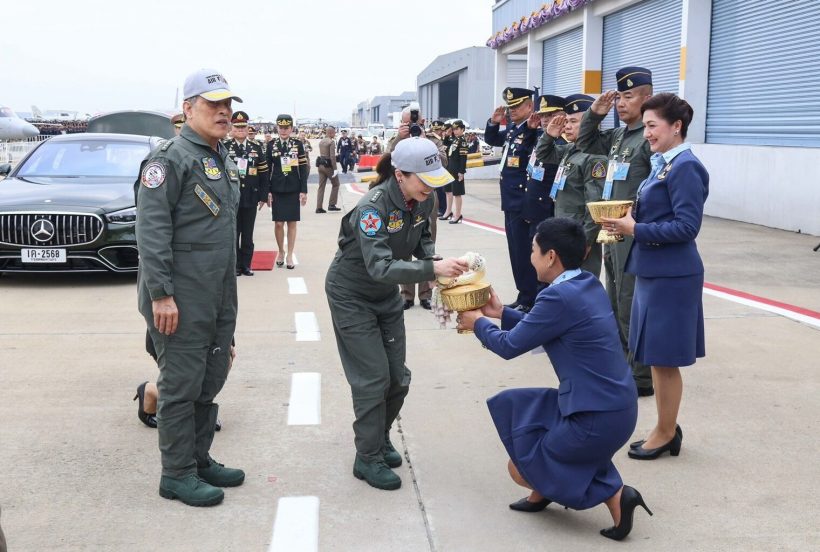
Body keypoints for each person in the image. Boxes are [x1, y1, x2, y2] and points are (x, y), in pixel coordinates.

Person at [457, 217, 650, 541]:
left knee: (519, 469)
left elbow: (509, 346)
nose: (529, 255)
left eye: (533, 249)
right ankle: (543, 492)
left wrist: (476, 321)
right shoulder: (586, 284)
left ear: (550, 257)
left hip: (595, 416)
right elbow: (544, 326)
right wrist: (501, 312)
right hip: (615, 406)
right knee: (523, 409)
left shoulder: (557, 298)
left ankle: (617, 495)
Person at [325, 137, 468, 491]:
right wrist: (431, 271)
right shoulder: (372, 208)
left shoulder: (425, 197)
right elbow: (380, 267)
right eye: (425, 178)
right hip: (352, 294)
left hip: (385, 297)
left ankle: (380, 437)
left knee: (397, 376)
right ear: (401, 175)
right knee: (372, 378)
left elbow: (423, 242)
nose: (432, 185)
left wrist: (435, 262)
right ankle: (367, 457)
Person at [135, 68, 245, 507]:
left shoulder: (220, 158)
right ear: (188, 108)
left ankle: (198, 458)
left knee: (210, 375)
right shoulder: (169, 160)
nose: (223, 112)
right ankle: (176, 474)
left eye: (227, 105)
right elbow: (152, 230)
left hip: (216, 291)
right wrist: (161, 293)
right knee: (181, 384)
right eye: (213, 104)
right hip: (178, 295)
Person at [601, 93, 708, 460]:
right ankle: (665, 426)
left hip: (672, 276)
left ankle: (665, 432)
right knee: (656, 357)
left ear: (675, 126)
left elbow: (686, 227)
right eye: (645, 126)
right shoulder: (663, 165)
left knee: (664, 360)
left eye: (652, 126)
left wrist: (635, 228)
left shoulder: (685, 167)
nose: (646, 133)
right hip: (653, 272)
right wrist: (632, 215)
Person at [575, 66, 655, 397]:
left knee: (629, 301)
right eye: (618, 97)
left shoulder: (648, 140)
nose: (621, 103)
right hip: (611, 227)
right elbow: (584, 141)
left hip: (634, 231)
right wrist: (595, 113)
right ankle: (624, 364)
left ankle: (641, 376)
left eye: (629, 96)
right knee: (613, 297)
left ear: (647, 98)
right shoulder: (620, 136)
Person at [535, 94, 608, 275]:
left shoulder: (595, 157)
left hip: (579, 234)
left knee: (581, 284)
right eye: (566, 121)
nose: (567, 126)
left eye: (573, 121)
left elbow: (595, 206)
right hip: (564, 231)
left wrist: (586, 242)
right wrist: (549, 135)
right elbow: (543, 154)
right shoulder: (570, 149)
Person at [484, 87, 540, 312]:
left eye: (517, 106)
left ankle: (530, 299)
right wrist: (493, 122)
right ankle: (524, 295)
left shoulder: (533, 130)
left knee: (526, 253)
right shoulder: (513, 130)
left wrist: (532, 130)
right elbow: (492, 139)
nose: (512, 110)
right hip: (510, 200)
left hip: (523, 201)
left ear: (529, 106)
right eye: (510, 107)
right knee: (516, 252)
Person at [388, 104, 448, 310]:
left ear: (422, 122)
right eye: (407, 123)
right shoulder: (396, 140)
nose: (411, 126)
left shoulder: (432, 140)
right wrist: (399, 139)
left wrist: (422, 143)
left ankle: (425, 293)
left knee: (426, 242)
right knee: (403, 243)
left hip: (426, 199)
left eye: (414, 123)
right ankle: (406, 294)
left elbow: (444, 161)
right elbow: (386, 161)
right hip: (401, 200)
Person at [225, 110, 269, 276]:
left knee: (248, 235)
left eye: (243, 127)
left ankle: (246, 265)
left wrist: (264, 196)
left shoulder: (256, 148)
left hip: (251, 197)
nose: (240, 130)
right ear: (231, 128)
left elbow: (264, 174)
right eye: (237, 127)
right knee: (234, 233)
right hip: (232, 198)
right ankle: (235, 266)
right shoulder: (225, 148)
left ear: (248, 128)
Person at [263, 114, 308, 269]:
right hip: (277, 189)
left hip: (293, 188)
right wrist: (267, 190)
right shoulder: (271, 145)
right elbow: (267, 169)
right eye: (281, 128)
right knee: (278, 223)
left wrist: (303, 190)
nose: (283, 130)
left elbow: (303, 168)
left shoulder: (298, 144)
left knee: (292, 223)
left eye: (286, 128)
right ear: (277, 128)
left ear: (291, 128)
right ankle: (280, 251)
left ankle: (289, 254)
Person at [523, 95, 565, 240]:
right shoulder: (540, 139)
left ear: (563, 115)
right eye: (542, 115)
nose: (546, 119)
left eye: (551, 115)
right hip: (535, 209)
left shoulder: (563, 144)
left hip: (548, 210)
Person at [441, 119, 468, 224]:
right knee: (448, 191)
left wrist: (461, 172)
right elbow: (446, 146)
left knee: (457, 193)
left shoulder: (462, 141)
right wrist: (447, 135)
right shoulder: (454, 139)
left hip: (457, 170)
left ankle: (458, 214)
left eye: (457, 129)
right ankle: (448, 212)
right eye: (454, 129)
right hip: (450, 168)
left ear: (462, 129)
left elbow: (463, 158)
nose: (455, 131)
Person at [316, 125, 341, 213]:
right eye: (334, 132)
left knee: (321, 186)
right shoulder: (331, 142)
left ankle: (319, 207)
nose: (335, 134)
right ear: (331, 133)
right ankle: (332, 204)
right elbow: (332, 157)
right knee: (336, 184)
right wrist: (335, 169)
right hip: (328, 167)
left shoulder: (321, 141)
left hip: (320, 165)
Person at [428, 120, 448, 217]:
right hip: (434, 167)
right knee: (437, 190)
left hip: (444, 167)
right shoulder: (431, 138)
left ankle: (443, 209)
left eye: (438, 130)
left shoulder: (446, 138)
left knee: (442, 191)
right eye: (435, 130)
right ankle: (440, 208)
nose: (437, 132)